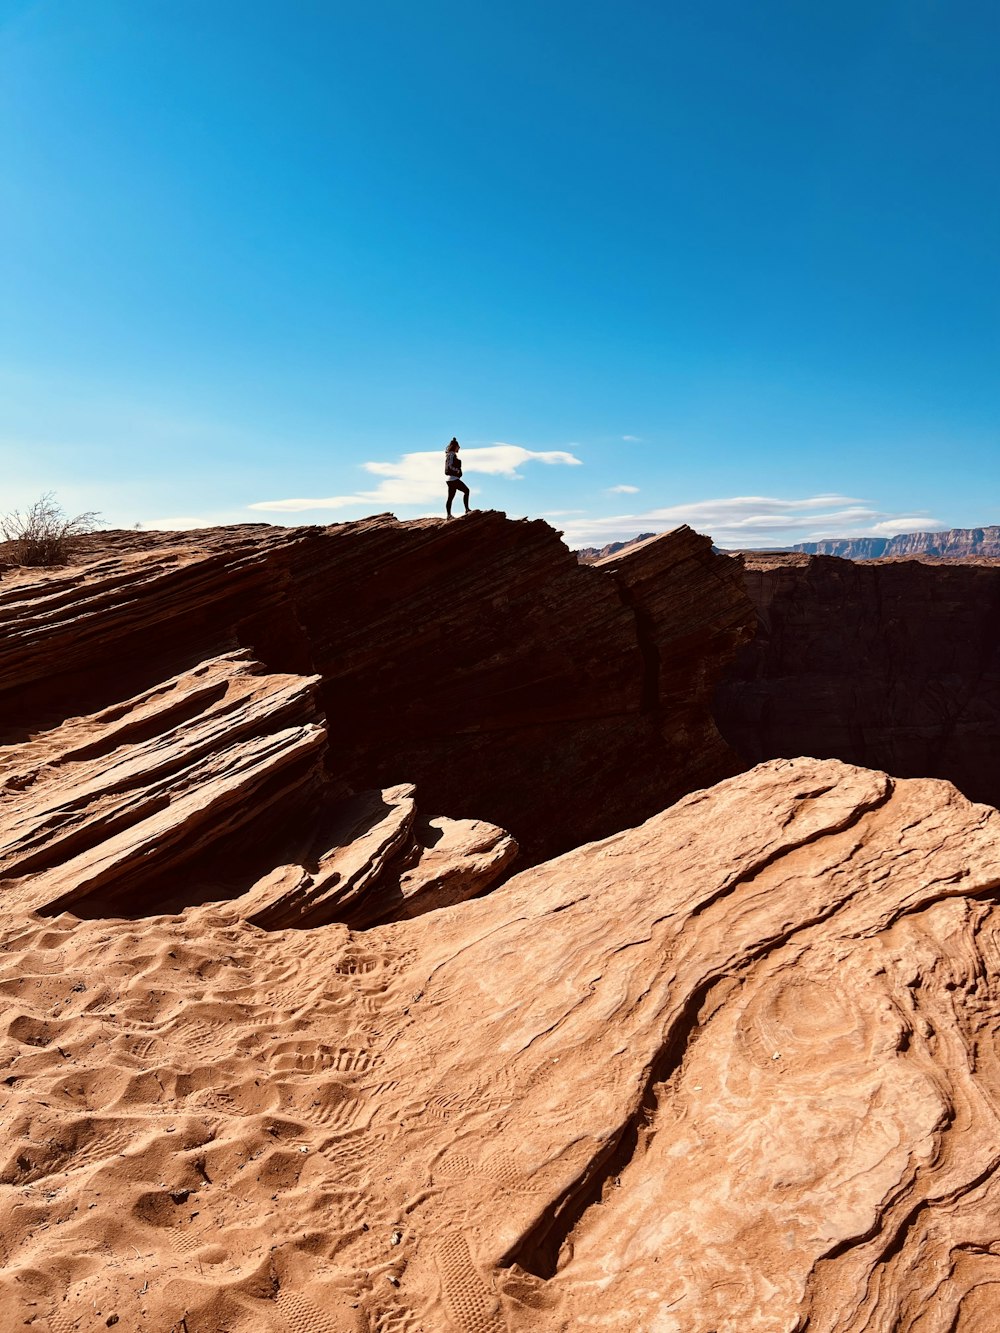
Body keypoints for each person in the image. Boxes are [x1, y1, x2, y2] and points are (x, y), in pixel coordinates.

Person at [444, 437, 471, 517]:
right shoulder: (452, 454)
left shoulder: (449, 454)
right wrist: (457, 470)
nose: (459, 448)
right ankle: (467, 509)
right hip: (453, 479)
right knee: (467, 491)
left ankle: (448, 515)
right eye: (458, 446)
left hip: (450, 479)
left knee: (450, 498)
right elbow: (450, 465)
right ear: (455, 446)